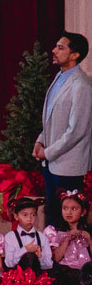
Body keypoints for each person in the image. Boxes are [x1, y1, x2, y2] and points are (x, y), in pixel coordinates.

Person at [35, 32, 91, 225]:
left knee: (66, 222)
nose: (54, 50)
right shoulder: (60, 78)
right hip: (51, 164)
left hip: (68, 167)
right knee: (52, 217)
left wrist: (48, 152)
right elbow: (52, 120)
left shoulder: (81, 85)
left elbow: (76, 130)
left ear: (74, 55)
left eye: (60, 47)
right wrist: (40, 141)